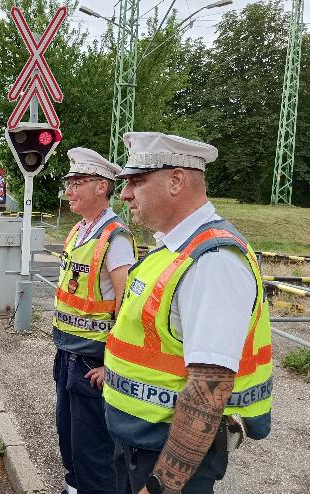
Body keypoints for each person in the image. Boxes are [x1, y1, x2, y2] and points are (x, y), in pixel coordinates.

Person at [103, 132, 273, 494]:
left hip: (165, 463)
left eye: (136, 181)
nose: (125, 194)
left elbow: (208, 388)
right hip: (138, 447)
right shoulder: (172, 249)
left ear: (176, 180)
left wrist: (162, 485)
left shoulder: (213, 262)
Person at [53, 148, 136, 494]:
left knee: (94, 454)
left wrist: (111, 368)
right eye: (69, 182)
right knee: (69, 442)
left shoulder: (115, 238)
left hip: (93, 363)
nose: (69, 190)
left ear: (101, 187)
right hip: (68, 355)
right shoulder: (79, 231)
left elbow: (129, 308)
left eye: (77, 182)